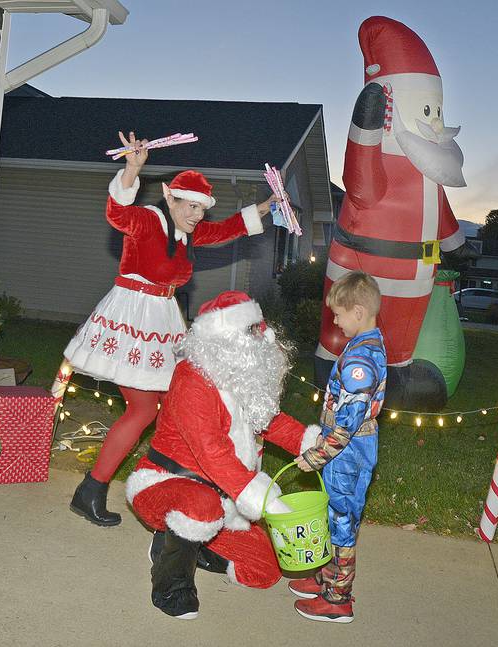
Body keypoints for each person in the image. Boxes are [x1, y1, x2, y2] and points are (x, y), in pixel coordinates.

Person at [64, 131, 281, 526]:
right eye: (191, 206)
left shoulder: (188, 232)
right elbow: (117, 215)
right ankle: (97, 488)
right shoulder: (148, 219)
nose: (198, 215)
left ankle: (174, 486)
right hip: (132, 318)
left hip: (163, 317)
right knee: (146, 409)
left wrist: (263, 209)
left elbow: (226, 229)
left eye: (202, 208)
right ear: (170, 196)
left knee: (170, 407)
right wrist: (131, 171)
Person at [124, 290, 320, 619]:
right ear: (224, 339)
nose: (263, 337)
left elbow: (271, 422)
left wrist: (313, 442)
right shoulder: (192, 380)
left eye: (260, 329)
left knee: (265, 569)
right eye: (252, 331)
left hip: (225, 499)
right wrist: (265, 497)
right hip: (165, 483)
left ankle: (178, 547)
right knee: (201, 506)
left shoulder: (243, 377)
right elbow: (211, 452)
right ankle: (172, 583)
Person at [291, 271, 386, 623]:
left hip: (347, 454)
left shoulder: (360, 362)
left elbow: (347, 423)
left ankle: (338, 599)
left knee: (342, 523)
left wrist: (317, 455)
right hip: (346, 451)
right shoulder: (366, 344)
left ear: (358, 312)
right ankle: (328, 578)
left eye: (339, 314)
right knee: (335, 519)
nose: (334, 320)